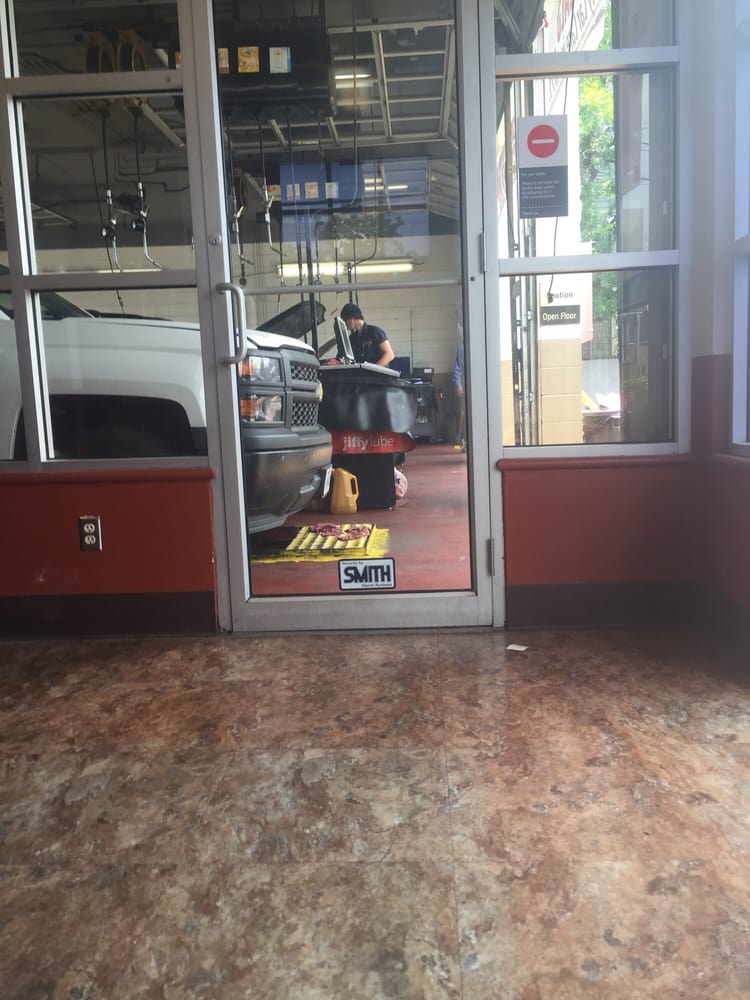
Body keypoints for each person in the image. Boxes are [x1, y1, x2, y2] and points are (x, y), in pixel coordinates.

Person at [340, 302, 395, 367]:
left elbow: (389, 354)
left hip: (378, 372)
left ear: (351, 319)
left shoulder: (375, 332)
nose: (345, 324)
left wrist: (374, 369)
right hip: (362, 372)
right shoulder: (352, 338)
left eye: (345, 320)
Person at [452, 340, 466, 451]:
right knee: (462, 413)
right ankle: (460, 439)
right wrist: (458, 384)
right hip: (464, 385)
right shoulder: (462, 349)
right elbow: (457, 368)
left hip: (476, 386)